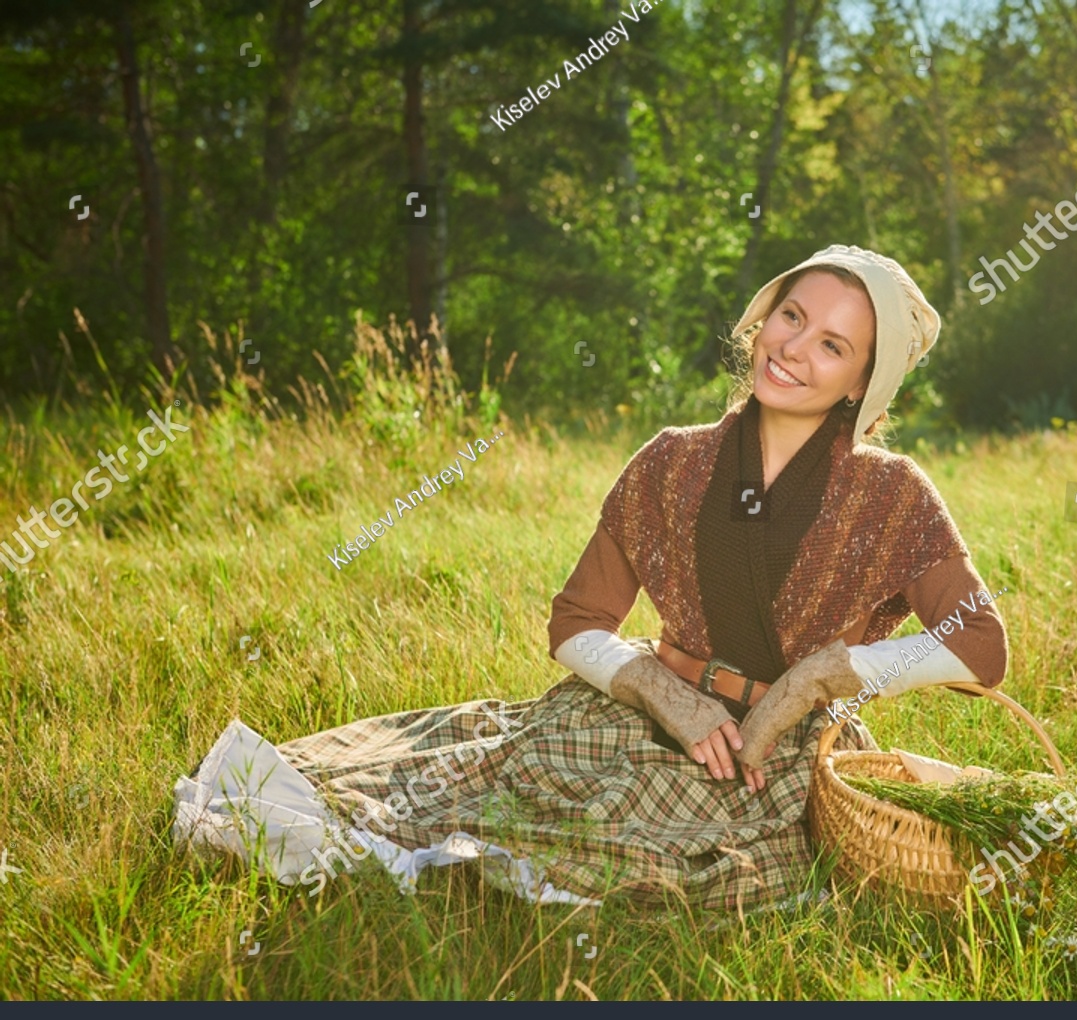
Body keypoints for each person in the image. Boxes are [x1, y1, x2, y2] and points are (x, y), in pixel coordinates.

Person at [269, 244, 1009, 910]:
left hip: (776, 757)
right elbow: (575, 622)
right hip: (642, 719)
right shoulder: (671, 460)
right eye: (791, 314)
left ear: (860, 384)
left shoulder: (893, 494)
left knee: (689, 859)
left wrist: (822, 676)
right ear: (766, 315)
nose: (792, 347)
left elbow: (982, 646)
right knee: (464, 794)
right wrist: (662, 694)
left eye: (832, 344)